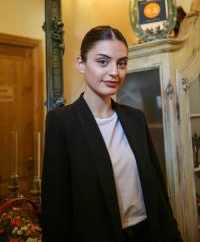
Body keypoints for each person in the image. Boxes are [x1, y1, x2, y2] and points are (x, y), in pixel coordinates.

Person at [41, 25, 183, 242]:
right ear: (81, 63)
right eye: (102, 61)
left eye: (122, 63)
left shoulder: (135, 118)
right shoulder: (62, 122)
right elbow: (56, 210)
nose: (114, 72)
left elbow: (158, 192)